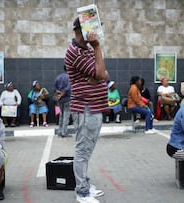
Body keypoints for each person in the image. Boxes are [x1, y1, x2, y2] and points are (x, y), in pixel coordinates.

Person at [64, 17, 108, 203]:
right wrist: (97, 47)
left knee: (87, 150)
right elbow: (99, 73)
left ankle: (86, 184)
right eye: (95, 29)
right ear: (82, 29)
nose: (97, 33)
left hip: (93, 107)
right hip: (85, 108)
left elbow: (105, 74)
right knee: (82, 151)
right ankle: (82, 192)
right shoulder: (75, 52)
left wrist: (98, 75)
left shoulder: (85, 50)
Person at [53, 65, 71, 137]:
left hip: (60, 100)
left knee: (61, 115)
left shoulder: (58, 77)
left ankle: (59, 131)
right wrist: (63, 93)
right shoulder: (70, 77)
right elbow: (68, 88)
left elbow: (54, 88)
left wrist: (59, 94)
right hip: (67, 98)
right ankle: (64, 132)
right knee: (66, 115)